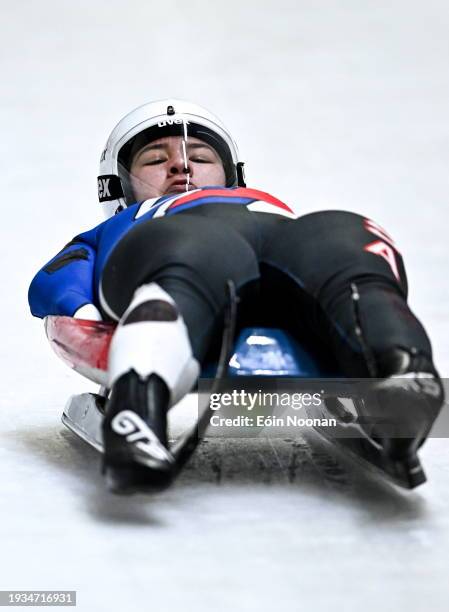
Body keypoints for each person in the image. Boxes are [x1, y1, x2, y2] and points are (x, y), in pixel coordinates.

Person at [28, 99, 444, 492]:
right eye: (155, 160)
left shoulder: (269, 205)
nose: (181, 165)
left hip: (284, 241)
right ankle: (138, 406)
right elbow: (55, 279)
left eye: (202, 158)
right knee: (192, 255)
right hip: (179, 241)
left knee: (343, 240)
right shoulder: (123, 225)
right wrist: (84, 313)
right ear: (118, 189)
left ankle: (402, 375)